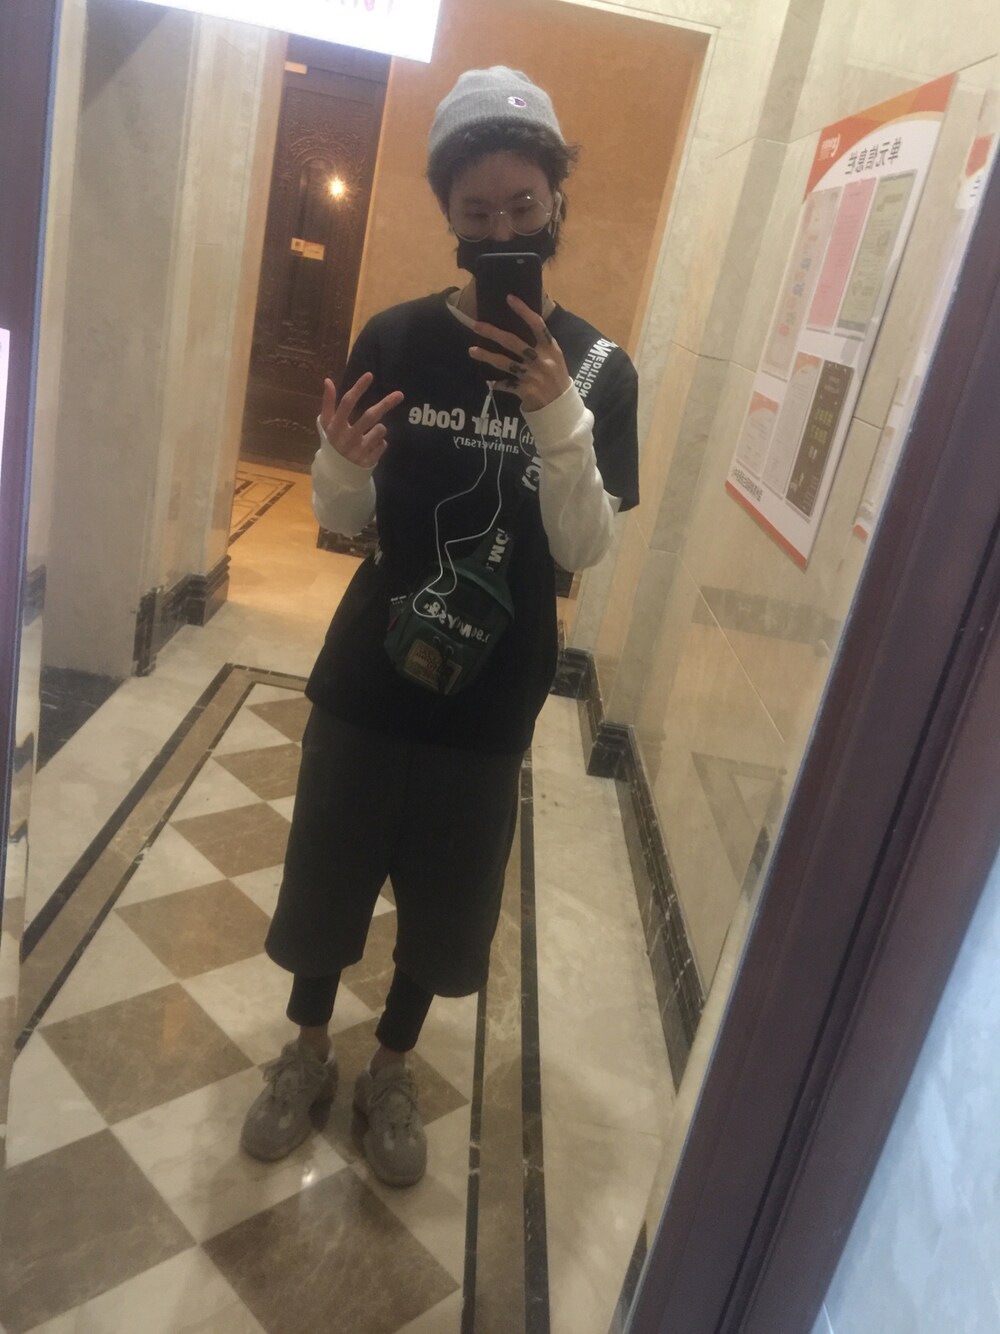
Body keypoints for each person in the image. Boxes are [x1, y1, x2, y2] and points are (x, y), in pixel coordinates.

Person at [240, 66, 639, 1186]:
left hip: (492, 696)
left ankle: (392, 1066)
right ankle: (307, 1052)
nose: (501, 230)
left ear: (556, 202)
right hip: (368, 675)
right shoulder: (399, 336)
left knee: (444, 902)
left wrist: (556, 415)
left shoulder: (600, 372)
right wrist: (337, 463)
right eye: (477, 212)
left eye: (523, 206)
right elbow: (340, 517)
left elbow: (582, 546)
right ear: (449, 217)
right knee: (328, 877)